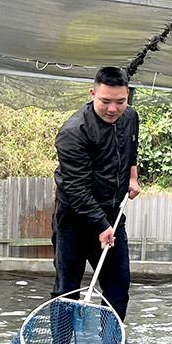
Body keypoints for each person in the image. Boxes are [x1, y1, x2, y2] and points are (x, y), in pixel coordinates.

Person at [52, 66, 140, 322]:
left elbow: (131, 147)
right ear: (92, 94)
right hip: (74, 221)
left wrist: (132, 176)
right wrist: (101, 226)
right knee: (67, 290)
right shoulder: (73, 133)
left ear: (127, 97)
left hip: (113, 215)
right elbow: (76, 189)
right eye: (105, 101)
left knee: (117, 288)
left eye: (120, 101)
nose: (113, 109)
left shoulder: (131, 117)